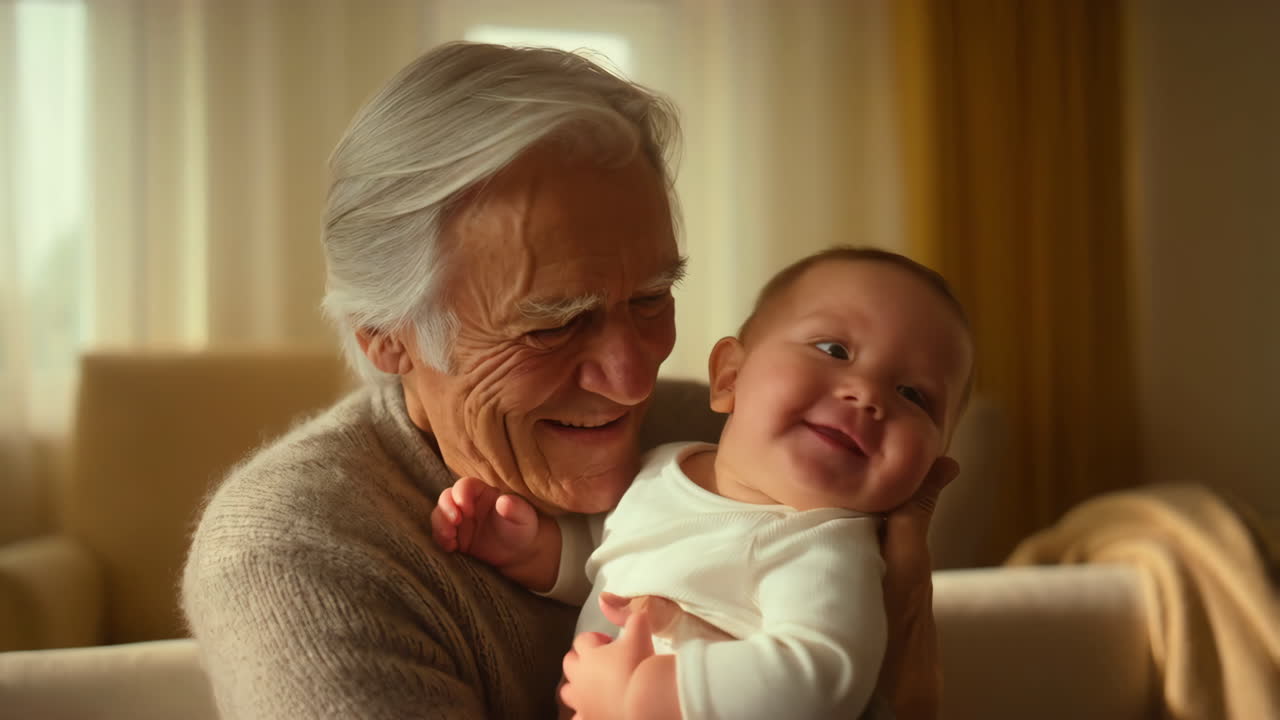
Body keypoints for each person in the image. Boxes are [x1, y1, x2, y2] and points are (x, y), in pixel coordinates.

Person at [182, 41, 955, 719]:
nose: (631, 381)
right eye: (551, 325)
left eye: (651, 299)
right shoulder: (296, 555)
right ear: (388, 338)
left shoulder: (735, 443)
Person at [431, 247, 974, 719]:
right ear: (730, 377)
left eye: (914, 395)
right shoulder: (664, 466)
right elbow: (614, 556)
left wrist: (652, 695)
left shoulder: (827, 546)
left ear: (932, 463)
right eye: (835, 350)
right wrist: (536, 550)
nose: (868, 394)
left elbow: (822, 675)